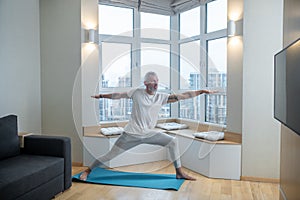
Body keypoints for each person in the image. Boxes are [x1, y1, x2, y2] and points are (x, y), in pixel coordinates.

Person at [80, 71, 216, 181]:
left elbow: (183, 95)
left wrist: (201, 92)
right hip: (130, 134)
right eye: (152, 82)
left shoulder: (161, 97)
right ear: (146, 83)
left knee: (173, 142)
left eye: (157, 81)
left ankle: (179, 172)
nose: (156, 84)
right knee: (110, 155)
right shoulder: (136, 93)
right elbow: (118, 95)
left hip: (149, 133)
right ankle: (88, 170)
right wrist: (102, 96)